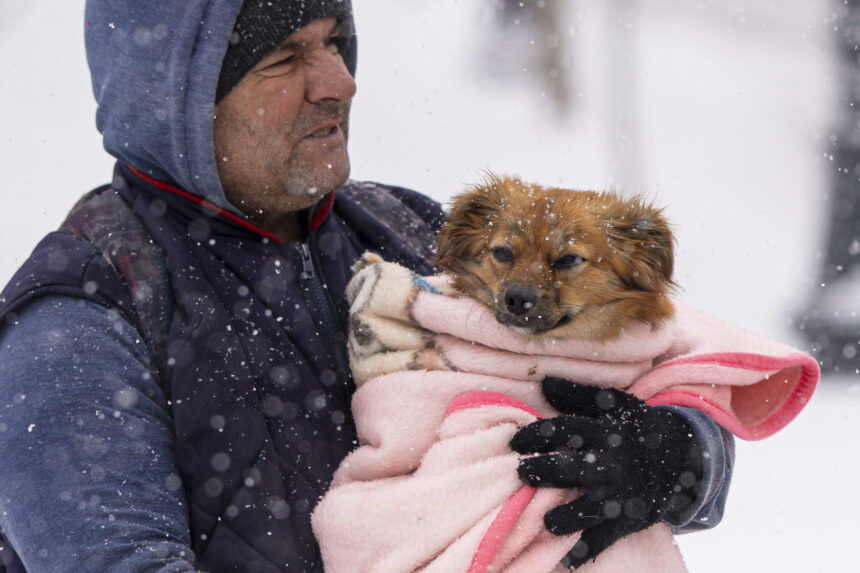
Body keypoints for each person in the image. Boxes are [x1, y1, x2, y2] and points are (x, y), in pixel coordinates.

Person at [0, 1, 734, 571]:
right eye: (286, 58)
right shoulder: (83, 317)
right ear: (178, 100)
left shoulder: (409, 234)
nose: (339, 82)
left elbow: (653, 362)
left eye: (334, 40)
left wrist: (678, 454)